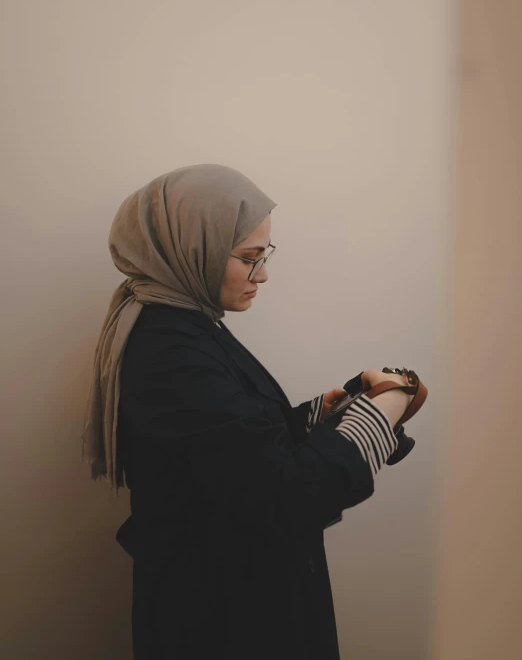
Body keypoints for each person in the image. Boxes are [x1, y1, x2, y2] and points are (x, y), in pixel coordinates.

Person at [80, 163, 413, 660]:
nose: (263, 274)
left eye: (265, 256)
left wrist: (315, 414)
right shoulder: (172, 352)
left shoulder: (186, 322)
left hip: (229, 592)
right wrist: (390, 403)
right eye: (250, 258)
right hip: (223, 616)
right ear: (194, 249)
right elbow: (287, 491)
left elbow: (227, 447)